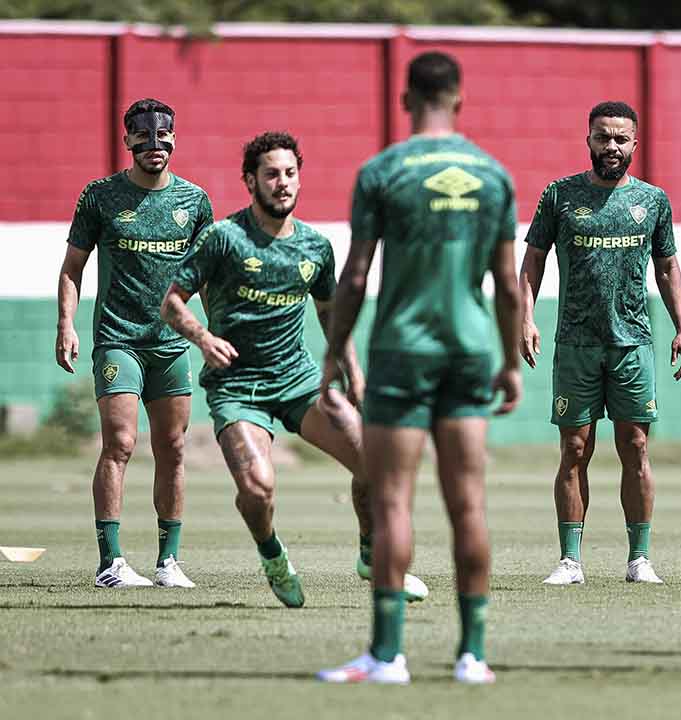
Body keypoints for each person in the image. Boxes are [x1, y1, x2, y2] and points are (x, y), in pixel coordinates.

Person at [316, 51, 521, 685]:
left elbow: (354, 275)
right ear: (460, 99)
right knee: (468, 504)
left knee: (393, 501)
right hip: (469, 350)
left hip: (401, 351)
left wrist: (332, 353)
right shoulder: (493, 175)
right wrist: (511, 362)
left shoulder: (382, 171)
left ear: (406, 99)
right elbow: (510, 286)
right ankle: (473, 656)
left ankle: (387, 657)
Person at [159, 132, 428, 608]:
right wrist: (203, 338)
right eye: (271, 174)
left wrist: (356, 377)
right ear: (250, 181)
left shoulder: (315, 247)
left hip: (299, 380)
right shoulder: (224, 238)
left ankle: (373, 555)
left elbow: (331, 316)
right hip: (238, 387)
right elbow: (172, 304)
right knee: (258, 489)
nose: (282, 184)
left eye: (290, 173)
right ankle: (273, 555)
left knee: (374, 459)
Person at [518, 100, 681, 586]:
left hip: (632, 342)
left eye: (620, 139)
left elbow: (667, 266)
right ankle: (570, 560)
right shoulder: (559, 195)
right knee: (574, 447)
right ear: (588, 138)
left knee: (635, 444)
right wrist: (525, 318)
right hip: (575, 342)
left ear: (635, 144)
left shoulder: (653, 201)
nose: (611, 146)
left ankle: (640, 558)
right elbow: (532, 261)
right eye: (602, 137)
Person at [57, 98, 213, 589]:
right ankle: (112, 564)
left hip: (171, 346)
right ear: (127, 142)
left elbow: (206, 279)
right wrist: (67, 324)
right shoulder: (100, 196)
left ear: (173, 139)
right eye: (142, 139)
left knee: (172, 447)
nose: (154, 147)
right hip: (117, 340)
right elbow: (72, 268)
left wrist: (216, 334)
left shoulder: (195, 201)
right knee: (121, 444)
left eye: (162, 138)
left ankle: (169, 562)